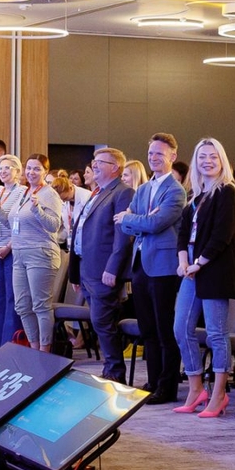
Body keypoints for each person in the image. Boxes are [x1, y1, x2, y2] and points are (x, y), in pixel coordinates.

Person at [173, 137, 235, 418]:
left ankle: (219, 394)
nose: (207, 161)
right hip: (191, 269)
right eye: (202, 157)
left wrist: (199, 263)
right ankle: (196, 388)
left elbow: (222, 235)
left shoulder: (227, 192)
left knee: (216, 333)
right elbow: (183, 233)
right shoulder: (196, 195)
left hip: (213, 269)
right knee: (181, 328)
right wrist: (183, 261)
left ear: (222, 160)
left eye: (213, 156)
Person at [117, 134, 188, 402]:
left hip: (164, 266)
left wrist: (134, 219)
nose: (154, 158)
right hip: (141, 264)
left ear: (172, 156)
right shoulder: (144, 189)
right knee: (147, 328)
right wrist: (138, 220)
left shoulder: (175, 190)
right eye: (151, 153)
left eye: (160, 153)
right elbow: (126, 225)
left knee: (164, 328)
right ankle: (153, 380)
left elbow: (156, 223)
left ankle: (167, 387)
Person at [73, 148, 135, 380]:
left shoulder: (123, 192)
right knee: (99, 322)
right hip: (86, 268)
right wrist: (75, 273)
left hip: (103, 270)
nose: (94, 165)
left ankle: (115, 372)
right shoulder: (98, 192)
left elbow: (123, 236)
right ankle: (110, 369)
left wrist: (113, 267)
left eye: (100, 162)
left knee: (103, 321)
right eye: (94, 161)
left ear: (115, 167)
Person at [10, 154, 67, 352]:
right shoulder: (24, 192)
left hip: (40, 253)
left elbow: (53, 225)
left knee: (40, 305)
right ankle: (33, 348)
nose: (31, 172)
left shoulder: (49, 194)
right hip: (19, 253)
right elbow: (14, 222)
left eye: (37, 169)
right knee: (22, 306)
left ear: (45, 171)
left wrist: (37, 209)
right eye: (29, 168)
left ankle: (44, 351)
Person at [0, 154, 24, 346]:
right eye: (0, 168)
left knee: (11, 298)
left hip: (12, 250)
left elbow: (19, 224)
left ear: (17, 171)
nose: (3, 172)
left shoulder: (22, 192)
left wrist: (7, 247)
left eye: (7, 168)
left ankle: (9, 343)